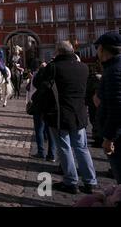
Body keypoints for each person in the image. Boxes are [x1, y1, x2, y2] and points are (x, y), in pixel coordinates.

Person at [34, 41, 97, 194]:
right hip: (80, 115)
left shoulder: (54, 67)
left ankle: (71, 182)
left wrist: (45, 68)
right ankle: (90, 181)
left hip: (59, 115)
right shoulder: (83, 67)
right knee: (82, 148)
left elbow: (38, 84)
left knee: (65, 147)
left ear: (58, 52)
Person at [93, 32, 121, 184]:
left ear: (103, 49)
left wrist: (109, 138)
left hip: (117, 137)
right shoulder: (113, 68)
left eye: (98, 48)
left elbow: (117, 107)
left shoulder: (113, 71)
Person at [27, 60, 56, 162]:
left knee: (39, 129)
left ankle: (40, 152)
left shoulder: (37, 76)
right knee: (50, 131)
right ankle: (52, 154)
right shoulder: (53, 78)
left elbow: (31, 88)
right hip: (50, 107)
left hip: (39, 106)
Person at [86, 64, 103, 147]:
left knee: (96, 120)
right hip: (93, 102)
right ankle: (97, 138)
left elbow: (94, 90)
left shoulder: (96, 78)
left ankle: (99, 139)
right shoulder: (95, 77)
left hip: (94, 102)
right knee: (95, 120)